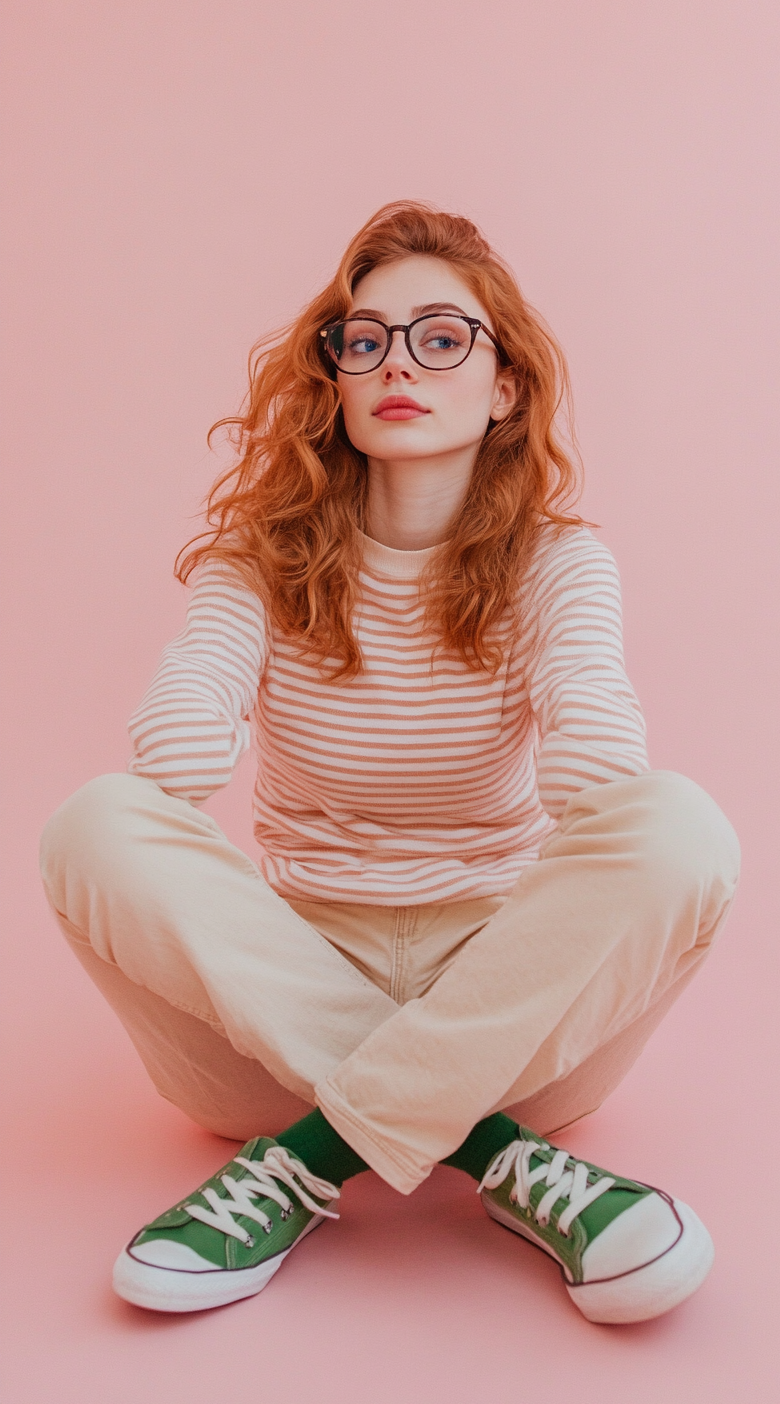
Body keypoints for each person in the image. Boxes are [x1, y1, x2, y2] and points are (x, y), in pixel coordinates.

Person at [40, 202, 740, 1325]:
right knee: (92, 822)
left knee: (684, 825)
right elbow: (173, 767)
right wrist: (235, 607)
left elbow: (598, 787)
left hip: (514, 1008)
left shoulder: (559, 562)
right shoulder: (257, 563)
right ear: (335, 376)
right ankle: (495, 1155)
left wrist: (563, 638)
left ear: (505, 384)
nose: (397, 363)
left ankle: (309, 1160)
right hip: (266, 1023)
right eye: (364, 340)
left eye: (442, 336)